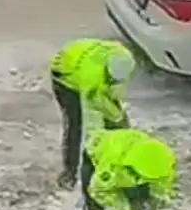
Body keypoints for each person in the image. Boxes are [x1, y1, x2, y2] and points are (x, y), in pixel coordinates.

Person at [50, 38, 137, 190]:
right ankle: (70, 172)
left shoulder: (123, 57)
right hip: (65, 75)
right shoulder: (91, 79)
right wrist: (118, 118)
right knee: (75, 124)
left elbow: (116, 90)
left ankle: (121, 157)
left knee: (115, 118)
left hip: (83, 53)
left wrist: (119, 117)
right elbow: (91, 115)